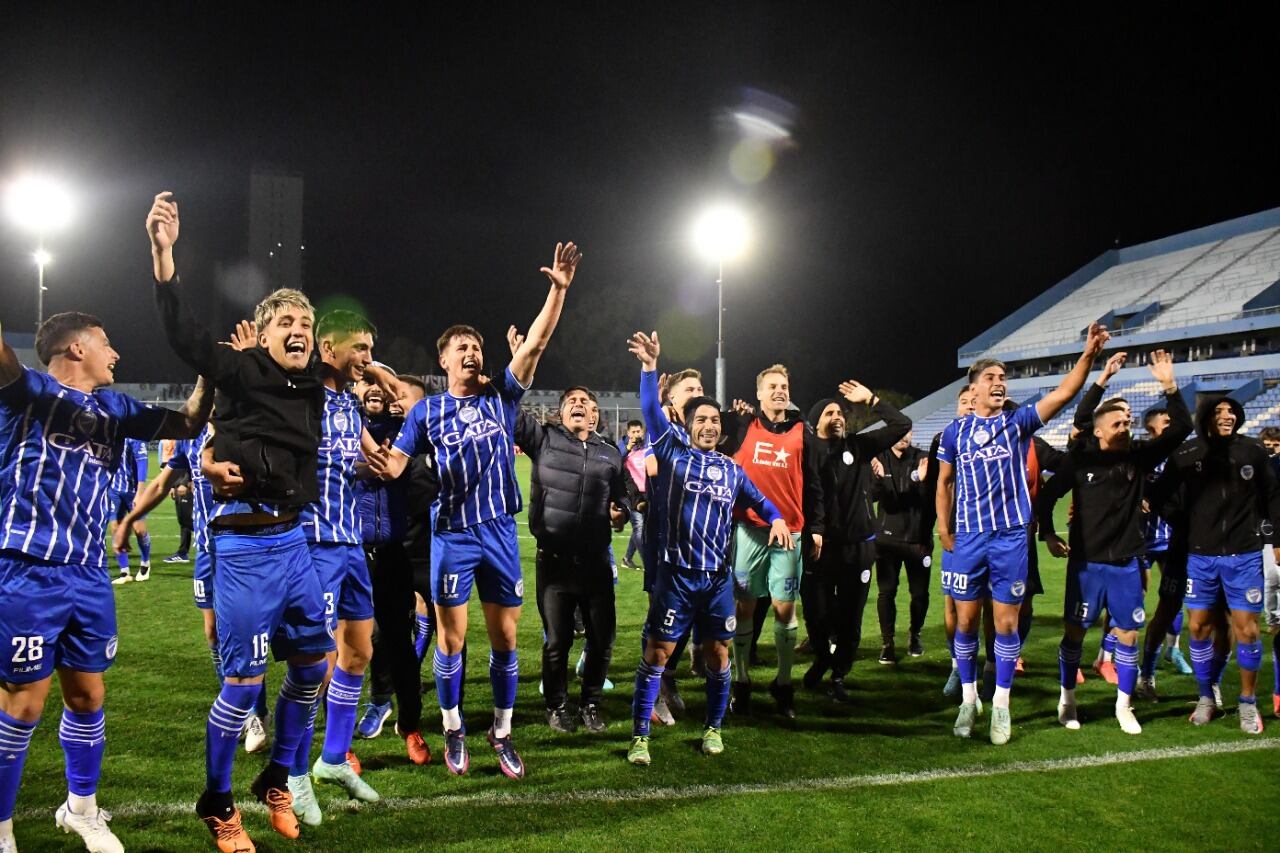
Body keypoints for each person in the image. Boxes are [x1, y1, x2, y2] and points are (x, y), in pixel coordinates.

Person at [147, 192, 398, 848]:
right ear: (262, 332)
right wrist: (165, 256)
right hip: (243, 546)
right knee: (244, 681)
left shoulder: (315, 386)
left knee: (315, 663)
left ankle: (278, 777)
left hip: (292, 542)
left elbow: (360, 370)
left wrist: (373, 366)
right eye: (286, 319)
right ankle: (219, 799)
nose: (298, 329)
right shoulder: (239, 369)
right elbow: (186, 338)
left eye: (306, 323)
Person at [0, 311, 211, 853]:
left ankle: (81, 810)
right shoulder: (26, 392)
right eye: (106, 341)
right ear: (75, 348)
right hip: (28, 568)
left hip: (90, 574)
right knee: (23, 704)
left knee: (88, 696)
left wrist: (210, 372)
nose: (116, 353)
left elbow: (187, 423)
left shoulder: (117, 408)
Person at [371, 240, 582, 780]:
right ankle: (453, 727)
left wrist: (556, 291)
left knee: (507, 638)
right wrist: (354, 445)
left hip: (498, 534)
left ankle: (503, 731)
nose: (470, 352)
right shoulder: (428, 412)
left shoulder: (501, 398)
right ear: (442, 360)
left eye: (475, 346)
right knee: (450, 640)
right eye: (460, 347)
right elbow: (395, 466)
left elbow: (534, 344)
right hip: (451, 536)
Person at [624, 331, 793, 766]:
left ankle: (714, 728)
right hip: (676, 577)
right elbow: (648, 410)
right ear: (688, 423)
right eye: (700, 419)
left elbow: (762, 500)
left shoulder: (731, 469)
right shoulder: (673, 451)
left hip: (717, 580)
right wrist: (649, 368)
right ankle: (640, 735)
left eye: (714, 421)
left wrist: (775, 518)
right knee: (656, 655)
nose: (709, 425)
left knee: (718, 655)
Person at [937, 322, 1107, 745]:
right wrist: (944, 525)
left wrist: (1088, 355)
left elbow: (1063, 394)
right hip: (969, 537)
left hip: (1011, 537)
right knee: (966, 620)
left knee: (1007, 623)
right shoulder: (954, 433)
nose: (999, 384)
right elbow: (942, 482)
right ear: (972, 390)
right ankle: (969, 699)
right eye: (990, 378)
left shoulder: (1017, 423)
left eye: (1002, 378)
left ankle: (1001, 706)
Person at [1037, 350, 1190, 734]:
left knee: (1128, 634)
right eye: (1117, 422)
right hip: (1086, 565)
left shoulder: (1139, 457)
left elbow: (1182, 427)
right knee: (1074, 633)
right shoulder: (1081, 459)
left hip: (1126, 563)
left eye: (1128, 421)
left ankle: (1124, 705)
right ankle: (1067, 700)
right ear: (1099, 430)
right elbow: (1047, 496)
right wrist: (1049, 532)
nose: (1125, 426)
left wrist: (1169, 386)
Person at [1147, 394, 1280, 735]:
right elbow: (1160, 495)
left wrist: (1275, 539)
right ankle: (1206, 697)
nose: (1227, 416)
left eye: (1232, 411)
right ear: (1206, 417)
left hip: (1244, 555)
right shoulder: (1188, 454)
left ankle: (1248, 704)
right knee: (1198, 629)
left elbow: (1274, 496)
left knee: (1247, 630)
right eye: (1220, 411)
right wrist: (1184, 523)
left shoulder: (1252, 450)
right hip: (1200, 556)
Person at [513, 383, 628, 734]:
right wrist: (521, 364)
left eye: (586, 402)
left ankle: (590, 703)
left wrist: (621, 510)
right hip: (555, 561)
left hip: (595, 561)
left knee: (601, 638)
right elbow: (511, 408)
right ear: (560, 413)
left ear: (595, 415)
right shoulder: (544, 440)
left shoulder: (610, 453)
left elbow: (624, 495)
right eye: (571, 401)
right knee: (557, 640)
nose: (579, 405)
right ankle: (557, 705)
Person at [717, 365, 824, 718]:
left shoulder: (801, 432)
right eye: (773, 386)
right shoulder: (741, 426)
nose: (780, 391)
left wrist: (817, 526)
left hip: (789, 534)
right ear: (759, 393)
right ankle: (742, 682)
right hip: (749, 532)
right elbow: (703, 429)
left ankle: (783, 683)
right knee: (744, 607)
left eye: (784, 386)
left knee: (785, 610)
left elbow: (813, 484)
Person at [801, 391, 910, 700]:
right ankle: (822, 656)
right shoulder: (806, 451)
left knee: (851, 616)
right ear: (815, 422)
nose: (837, 417)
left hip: (858, 548)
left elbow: (901, 424)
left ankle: (838, 674)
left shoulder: (859, 446)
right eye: (828, 413)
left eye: (840, 413)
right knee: (816, 613)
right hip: (819, 549)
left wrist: (873, 401)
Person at [354, 380, 432, 767]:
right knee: (345, 648)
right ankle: (342, 740)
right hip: (349, 553)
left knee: (397, 641)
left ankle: (410, 723)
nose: (375, 391)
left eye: (382, 386)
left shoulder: (406, 434)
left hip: (392, 553)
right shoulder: (343, 426)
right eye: (365, 384)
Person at [871, 430, 932, 661]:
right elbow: (879, 497)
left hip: (918, 540)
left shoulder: (923, 457)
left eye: (907, 432)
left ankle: (915, 635)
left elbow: (929, 497)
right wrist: (877, 479)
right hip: (887, 541)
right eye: (899, 432)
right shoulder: (879, 459)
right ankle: (887, 643)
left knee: (919, 594)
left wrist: (922, 479)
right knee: (887, 592)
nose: (903, 436)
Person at [108, 437, 152, 584]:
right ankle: (124, 571)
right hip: (113, 490)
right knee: (115, 528)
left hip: (133, 491)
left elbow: (142, 462)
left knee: (139, 530)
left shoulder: (135, 437)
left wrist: (140, 492)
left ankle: (145, 563)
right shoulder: (110, 433)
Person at [620, 420, 648, 571]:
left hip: (647, 493)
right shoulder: (624, 446)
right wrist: (627, 448)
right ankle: (648, 562)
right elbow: (616, 460)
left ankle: (627, 559)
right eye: (634, 432)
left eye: (639, 431)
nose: (637, 435)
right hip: (632, 494)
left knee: (641, 529)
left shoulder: (646, 446)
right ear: (628, 433)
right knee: (639, 528)